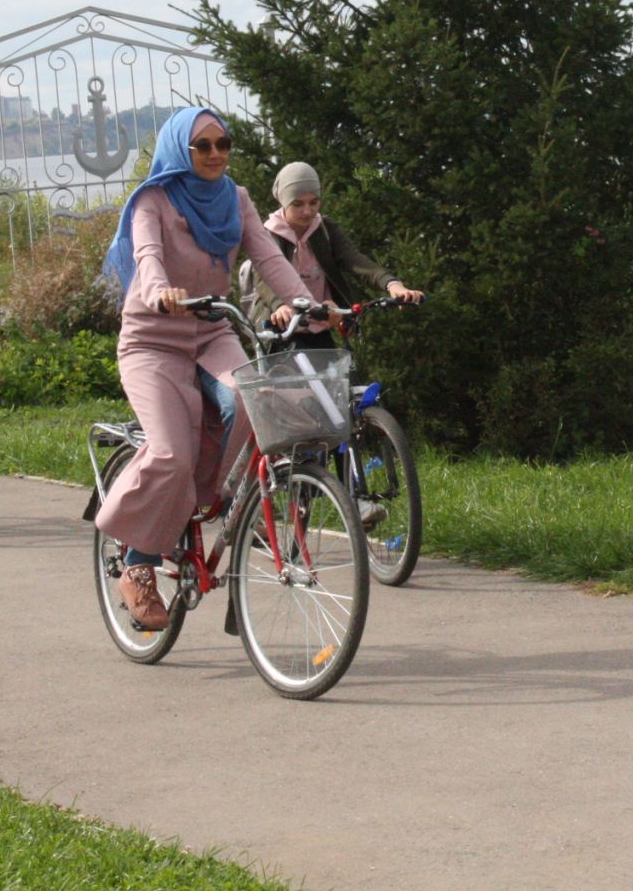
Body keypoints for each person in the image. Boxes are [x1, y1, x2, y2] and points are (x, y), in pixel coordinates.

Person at [93, 108, 315, 632]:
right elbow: (147, 254)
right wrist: (157, 291)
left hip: (212, 331)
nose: (215, 154)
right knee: (170, 451)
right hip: (153, 339)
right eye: (203, 146)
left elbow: (269, 258)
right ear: (179, 150)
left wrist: (307, 303)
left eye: (223, 143)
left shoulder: (235, 198)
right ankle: (136, 561)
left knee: (249, 399)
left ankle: (199, 500)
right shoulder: (153, 199)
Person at [241, 160, 424, 353]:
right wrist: (279, 306)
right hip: (281, 329)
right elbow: (266, 277)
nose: (307, 211)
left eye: (314, 202)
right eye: (297, 204)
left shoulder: (324, 229)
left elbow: (353, 259)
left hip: (317, 326)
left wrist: (392, 284)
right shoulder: (269, 233)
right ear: (284, 203)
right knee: (290, 381)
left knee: (331, 380)